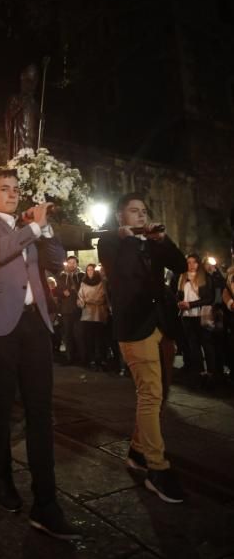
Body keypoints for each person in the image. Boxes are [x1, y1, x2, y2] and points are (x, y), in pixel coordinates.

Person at [0, 167, 81, 540]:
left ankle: (46, 503)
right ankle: (2, 479)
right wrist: (31, 229)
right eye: (5, 188)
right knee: (1, 406)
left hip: (34, 322)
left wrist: (45, 229)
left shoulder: (27, 227)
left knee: (40, 410)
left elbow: (56, 259)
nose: (13, 194)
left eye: (16, 189)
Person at [98, 193, 187, 504]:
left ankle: (137, 451)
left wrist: (162, 240)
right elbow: (119, 274)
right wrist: (125, 240)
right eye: (133, 211)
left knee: (161, 393)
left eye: (144, 211)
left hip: (161, 325)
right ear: (121, 215)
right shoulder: (109, 242)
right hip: (135, 327)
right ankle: (157, 468)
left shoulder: (152, 243)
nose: (140, 216)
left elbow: (180, 264)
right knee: (150, 393)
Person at [177, 254, 216, 385]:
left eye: (194, 262)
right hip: (187, 316)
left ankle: (211, 372)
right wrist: (180, 303)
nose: (191, 265)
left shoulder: (205, 277)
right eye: (189, 262)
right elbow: (179, 295)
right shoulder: (182, 277)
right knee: (193, 346)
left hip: (201, 316)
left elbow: (209, 298)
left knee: (206, 344)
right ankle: (199, 372)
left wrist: (191, 304)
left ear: (199, 264)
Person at [77, 263, 109, 370]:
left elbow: (101, 297)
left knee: (99, 339)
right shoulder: (83, 283)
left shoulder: (101, 283)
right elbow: (80, 297)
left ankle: (101, 359)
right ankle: (91, 360)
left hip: (98, 315)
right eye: (88, 270)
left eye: (92, 270)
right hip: (87, 315)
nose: (90, 272)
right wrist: (84, 302)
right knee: (89, 339)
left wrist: (88, 300)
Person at [56, 256, 84, 365]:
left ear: (77, 264)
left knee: (79, 335)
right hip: (66, 310)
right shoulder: (62, 276)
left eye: (73, 262)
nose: (71, 264)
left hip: (78, 310)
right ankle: (70, 358)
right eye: (69, 262)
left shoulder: (81, 275)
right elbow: (56, 290)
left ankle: (81, 358)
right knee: (68, 335)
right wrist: (62, 293)